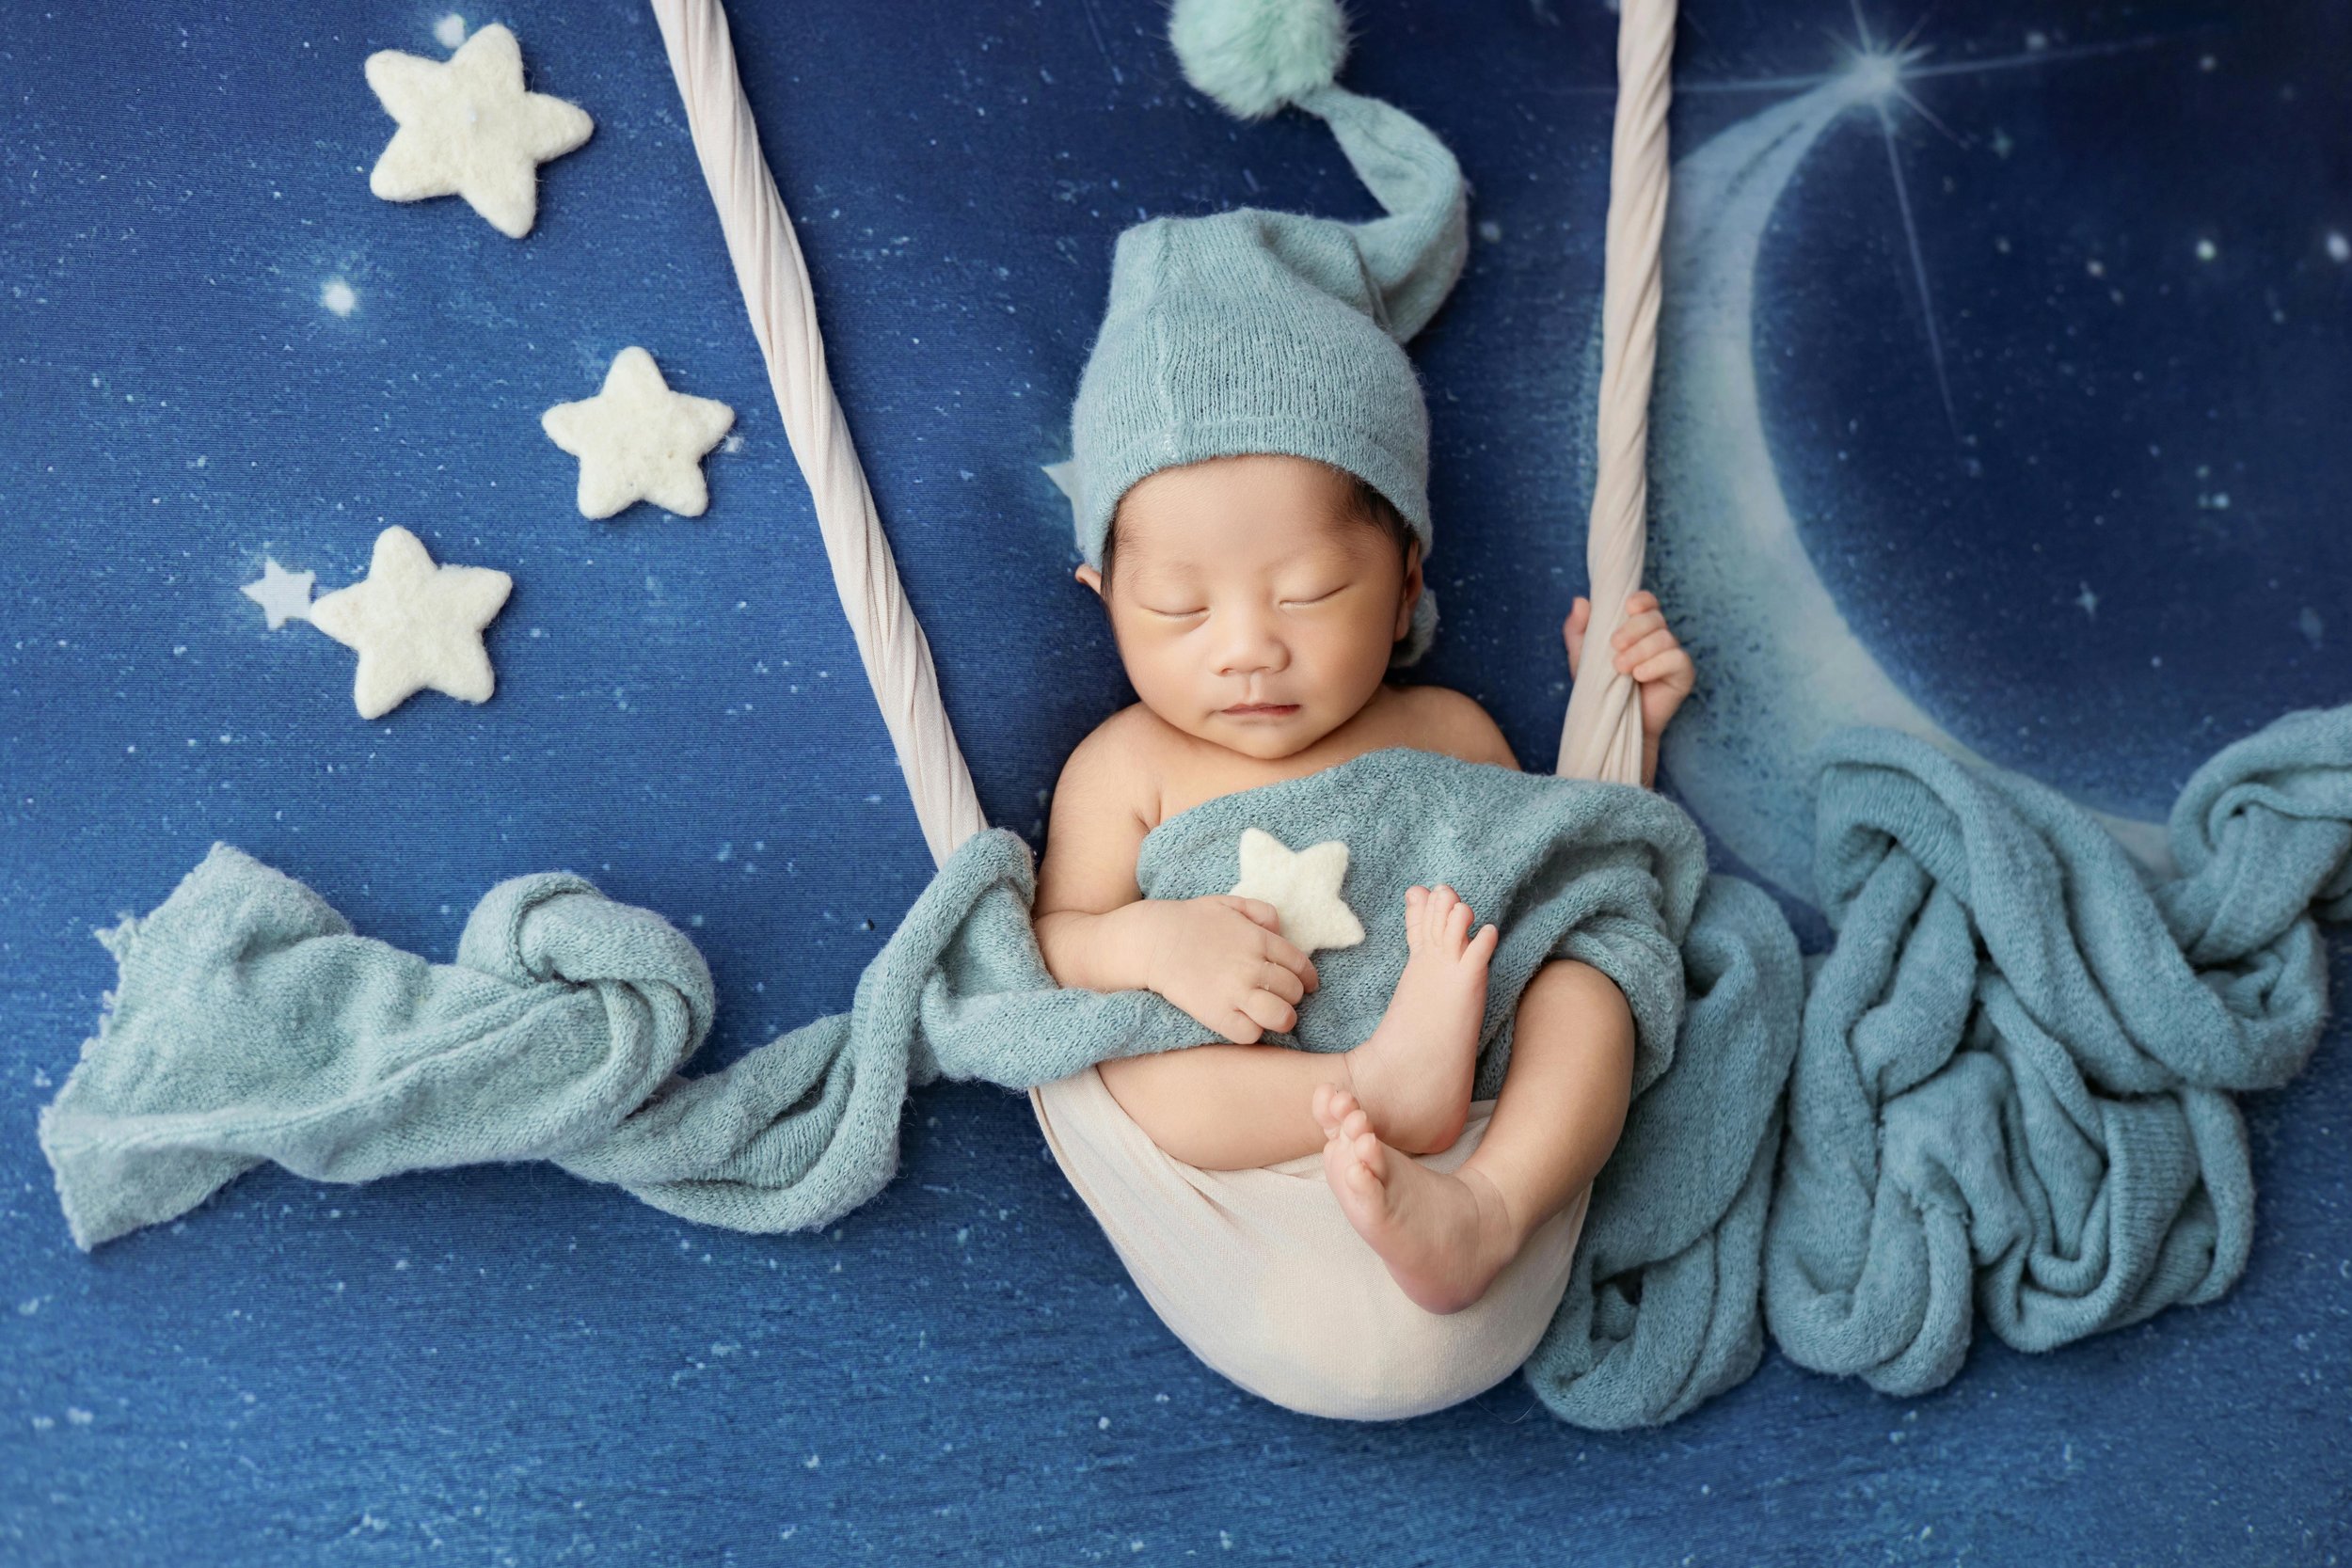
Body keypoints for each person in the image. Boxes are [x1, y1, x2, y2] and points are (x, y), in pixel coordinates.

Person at [1032, 441, 1692, 1313]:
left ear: (1405, 585)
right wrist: (1149, 943)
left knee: (1590, 979)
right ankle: (1382, 1085)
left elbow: (1559, 880)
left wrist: (1625, 731)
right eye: (1180, 608)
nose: (1248, 650)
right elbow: (1050, 945)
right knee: (1134, 1068)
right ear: (1108, 600)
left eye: (1307, 594)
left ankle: (1486, 1214)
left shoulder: (1448, 729)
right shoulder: (1125, 766)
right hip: (1264, 1139)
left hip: (1484, 1127)